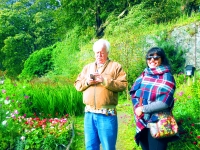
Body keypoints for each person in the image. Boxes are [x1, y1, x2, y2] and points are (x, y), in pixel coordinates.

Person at [74, 39, 127, 150]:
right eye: (97, 52)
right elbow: (78, 85)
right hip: (89, 114)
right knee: (90, 146)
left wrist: (104, 80)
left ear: (107, 52)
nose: (99, 55)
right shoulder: (87, 68)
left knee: (108, 147)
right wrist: (88, 82)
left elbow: (123, 85)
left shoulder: (116, 66)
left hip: (107, 114)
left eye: (102, 52)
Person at [130, 47, 176, 150]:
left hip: (159, 122)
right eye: (149, 57)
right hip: (142, 121)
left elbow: (164, 103)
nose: (152, 60)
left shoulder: (167, 76)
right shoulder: (143, 76)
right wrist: (138, 108)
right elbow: (135, 95)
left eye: (156, 58)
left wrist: (143, 109)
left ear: (162, 59)